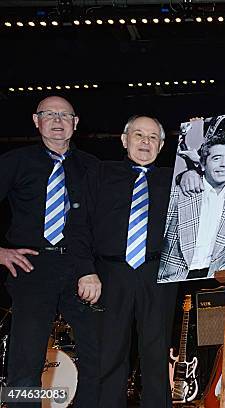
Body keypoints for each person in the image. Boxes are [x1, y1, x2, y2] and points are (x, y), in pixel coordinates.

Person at [0, 96, 101, 407]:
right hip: (31, 267)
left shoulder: (94, 168)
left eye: (65, 115)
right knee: (24, 365)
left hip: (81, 267)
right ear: (36, 121)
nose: (58, 121)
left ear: (76, 123)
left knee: (101, 355)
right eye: (49, 114)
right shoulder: (13, 162)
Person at [71, 115, 177, 407]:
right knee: (109, 359)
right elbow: (78, 227)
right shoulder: (99, 174)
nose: (145, 142)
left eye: (153, 137)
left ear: (162, 144)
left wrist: (201, 137)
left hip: (159, 273)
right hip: (108, 274)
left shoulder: (176, 179)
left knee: (157, 359)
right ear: (124, 139)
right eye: (138, 135)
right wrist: (85, 271)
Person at [158, 130, 225, 282]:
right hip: (171, 277)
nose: (224, 164)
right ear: (202, 163)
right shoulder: (179, 190)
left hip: (219, 276)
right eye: (216, 158)